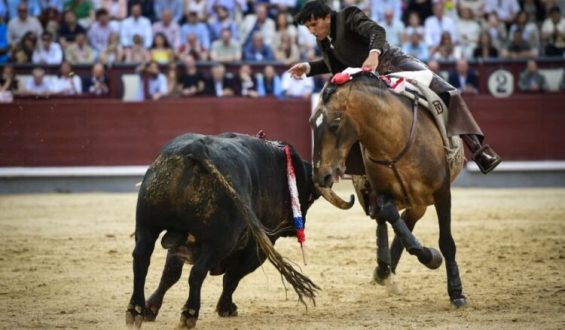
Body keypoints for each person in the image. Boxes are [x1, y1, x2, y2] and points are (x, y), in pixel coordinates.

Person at [288, 0, 501, 174]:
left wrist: (373, 55)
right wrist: (307, 68)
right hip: (366, 79)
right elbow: (334, 64)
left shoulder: (348, 16)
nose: (311, 31)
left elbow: (377, 31)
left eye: (314, 25)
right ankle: (363, 177)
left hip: (392, 63)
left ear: (327, 16)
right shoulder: (325, 40)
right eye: (308, 27)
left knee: (447, 90)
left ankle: (478, 150)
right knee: (345, 118)